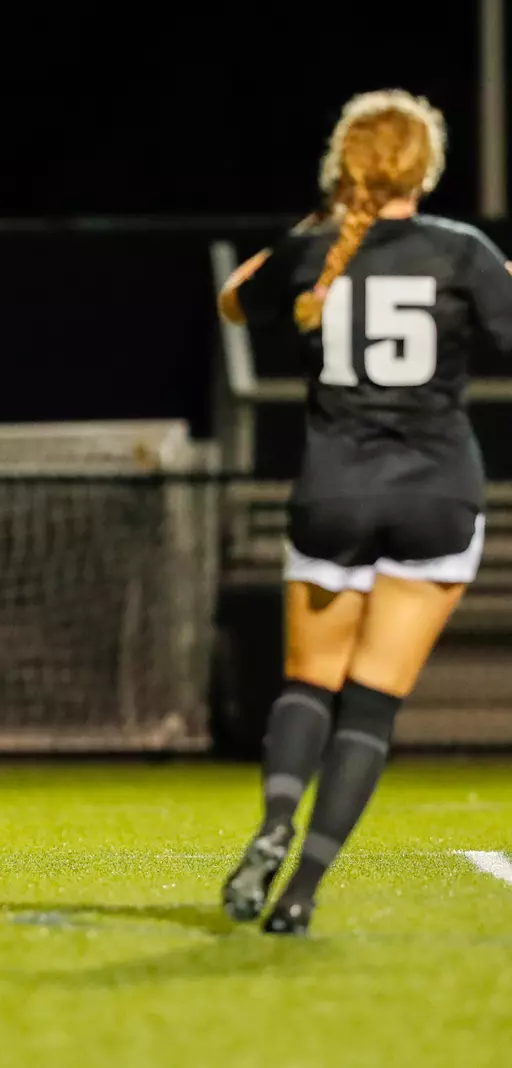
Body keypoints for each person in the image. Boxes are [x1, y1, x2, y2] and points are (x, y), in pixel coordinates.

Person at [217, 89, 512, 934]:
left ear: (345, 165)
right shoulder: (463, 251)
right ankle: (302, 890)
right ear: (427, 165)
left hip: (334, 490)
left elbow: (235, 299)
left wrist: (317, 226)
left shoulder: (316, 251)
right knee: (373, 703)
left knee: (310, 684)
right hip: (436, 492)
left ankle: (275, 821)